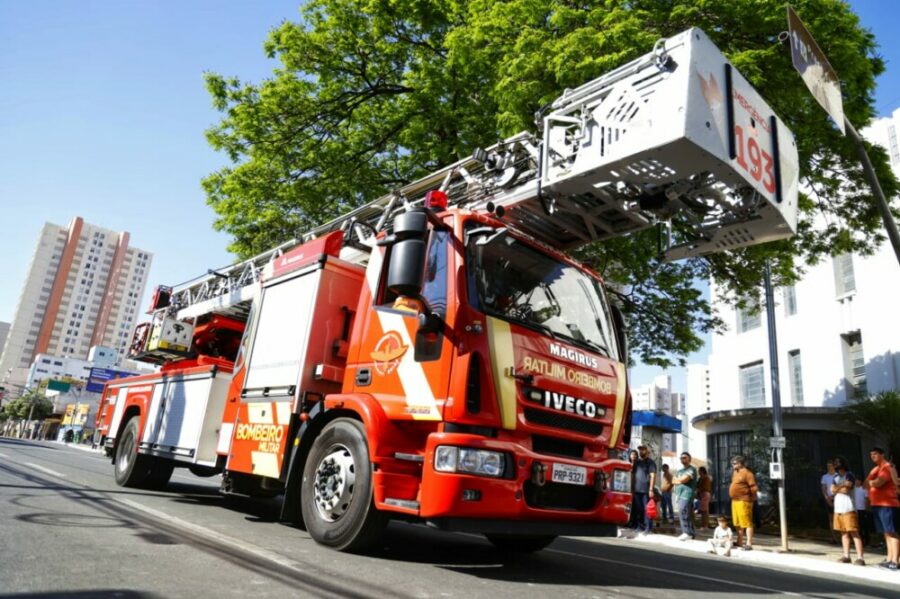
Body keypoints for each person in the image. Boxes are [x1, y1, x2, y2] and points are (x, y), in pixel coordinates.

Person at [864, 446, 900, 570]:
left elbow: (879, 483)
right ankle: (889, 558)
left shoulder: (886, 467)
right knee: (886, 533)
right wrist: (871, 476)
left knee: (891, 532)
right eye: (871, 455)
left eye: (875, 454)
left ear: (882, 455)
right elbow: (865, 484)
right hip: (877, 504)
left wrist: (871, 482)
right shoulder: (876, 469)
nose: (872, 456)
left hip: (888, 504)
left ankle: (895, 561)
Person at [831, 456, 865, 565]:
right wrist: (841, 485)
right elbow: (832, 490)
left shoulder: (849, 475)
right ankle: (846, 555)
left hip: (848, 508)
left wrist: (837, 488)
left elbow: (847, 489)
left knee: (854, 532)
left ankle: (860, 557)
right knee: (843, 532)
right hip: (838, 508)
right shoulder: (835, 476)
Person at [729, 455, 757, 550]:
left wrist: (752, 499)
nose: (733, 465)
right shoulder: (735, 472)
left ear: (740, 464)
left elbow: (753, 488)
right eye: (732, 463)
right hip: (735, 501)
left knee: (746, 522)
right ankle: (739, 541)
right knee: (737, 523)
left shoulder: (748, 473)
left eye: (734, 463)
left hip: (744, 501)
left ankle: (749, 543)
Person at [631, 445, 657, 535]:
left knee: (647, 510)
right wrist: (632, 488)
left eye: (642, 450)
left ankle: (648, 528)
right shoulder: (637, 462)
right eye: (640, 450)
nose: (641, 451)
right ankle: (639, 526)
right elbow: (633, 476)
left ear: (647, 451)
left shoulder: (650, 462)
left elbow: (653, 476)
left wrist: (651, 489)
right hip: (637, 489)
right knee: (638, 509)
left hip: (646, 490)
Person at [673, 452, 698, 541]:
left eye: (685, 458)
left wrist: (679, 480)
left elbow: (684, 480)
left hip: (687, 494)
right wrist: (679, 480)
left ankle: (687, 532)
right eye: (681, 458)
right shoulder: (680, 471)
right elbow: (673, 481)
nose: (682, 459)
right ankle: (690, 533)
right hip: (679, 494)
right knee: (686, 513)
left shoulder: (692, 469)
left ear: (689, 459)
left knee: (683, 511)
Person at [821, 460, 838, 544]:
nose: (829, 467)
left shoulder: (838, 475)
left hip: (838, 498)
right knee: (831, 519)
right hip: (828, 499)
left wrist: (834, 496)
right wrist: (826, 497)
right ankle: (834, 537)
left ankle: (842, 537)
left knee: (839, 517)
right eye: (828, 466)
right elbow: (824, 488)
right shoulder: (825, 476)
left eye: (830, 466)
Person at [854, 477, 872, 548]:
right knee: (858, 526)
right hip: (855, 510)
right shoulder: (853, 489)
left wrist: (867, 508)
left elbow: (867, 499)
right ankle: (860, 541)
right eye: (856, 480)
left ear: (861, 482)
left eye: (858, 480)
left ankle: (867, 541)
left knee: (864, 526)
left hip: (862, 509)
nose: (856, 482)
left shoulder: (864, 489)